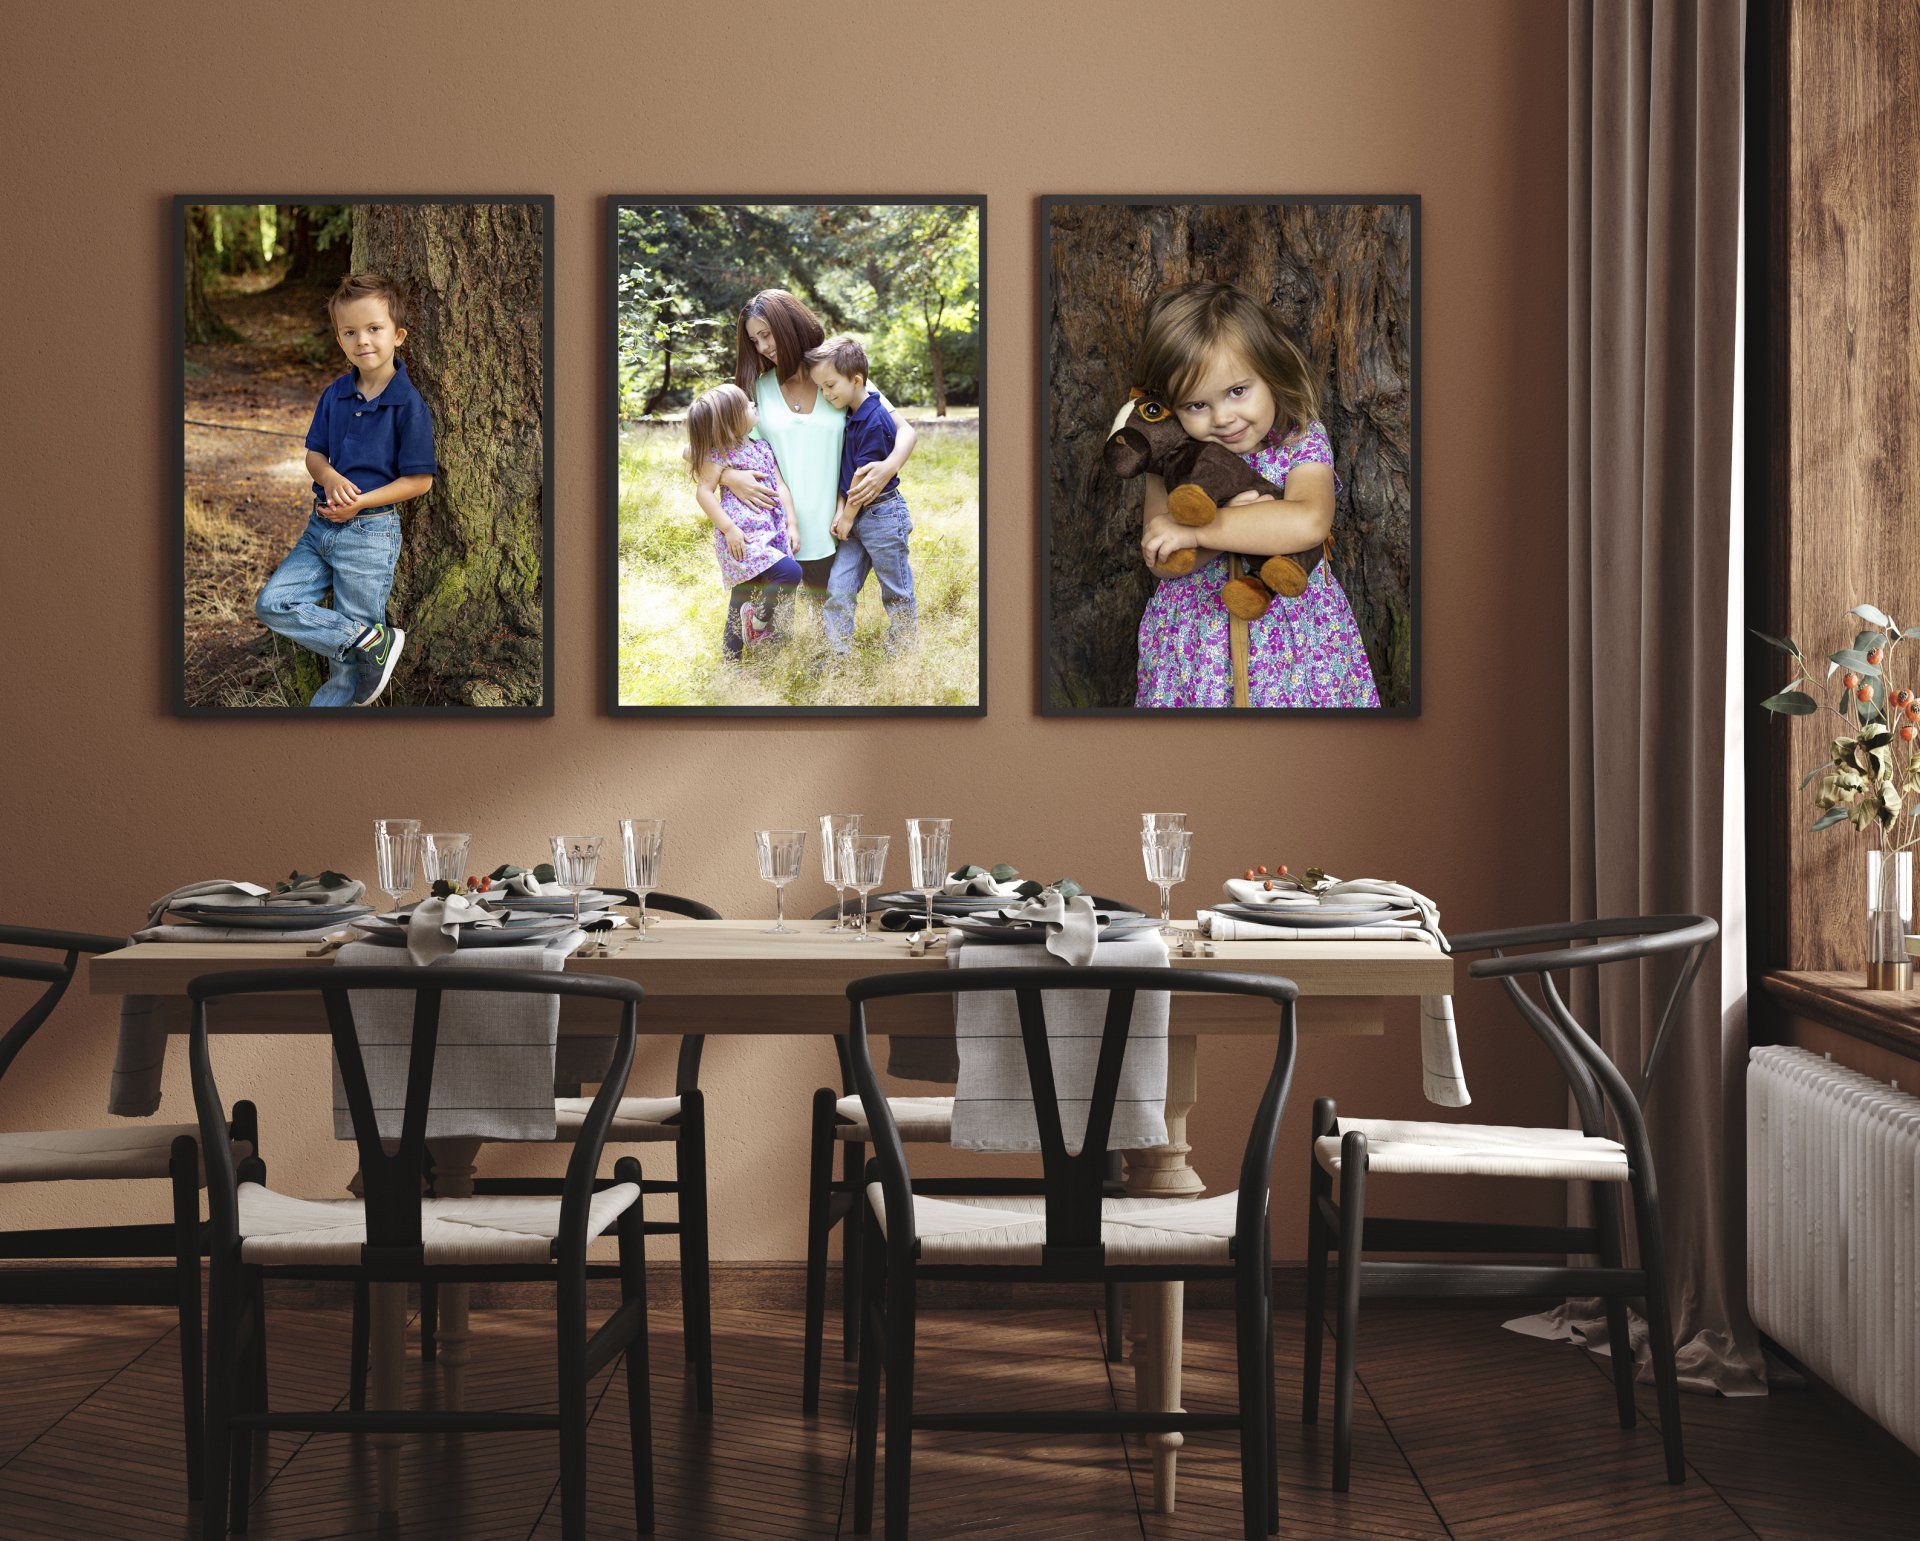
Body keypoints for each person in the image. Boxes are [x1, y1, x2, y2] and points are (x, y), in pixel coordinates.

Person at [1128, 281, 1380, 708]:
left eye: (1237, 391)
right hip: (1194, 646)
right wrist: (1209, 533)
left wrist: (1209, 526)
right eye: (1196, 405)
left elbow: (1308, 522)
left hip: (1295, 645)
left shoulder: (1300, 444)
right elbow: (1165, 559)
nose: (1224, 418)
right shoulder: (1170, 462)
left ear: (1272, 371)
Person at [254, 273, 435, 707]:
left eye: (374, 329)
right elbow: (313, 455)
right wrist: (329, 478)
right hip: (319, 530)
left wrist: (359, 503)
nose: (363, 341)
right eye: (350, 332)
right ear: (339, 339)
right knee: (273, 603)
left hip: (369, 535)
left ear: (399, 335)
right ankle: (370, 639)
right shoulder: (335, 395)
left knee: (347, 670)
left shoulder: (408, 406)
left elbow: (420, 481)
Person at [717, 289, 918, 595]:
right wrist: (728, 475)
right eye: (755, 341)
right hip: (777, 531)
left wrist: (889, 467)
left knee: (827, 615)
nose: (762, 347)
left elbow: (905, 430)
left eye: (766, 335)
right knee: (771, 632)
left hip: (837, 527)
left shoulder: (837, 376)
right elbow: (701, 447)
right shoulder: (755, 392)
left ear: (789, 324)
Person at [808, 336, 917, 653]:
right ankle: (836, 653)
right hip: (855, 518)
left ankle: (903, 653)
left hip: (881, 515)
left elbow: (863, 480)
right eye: (822, 389)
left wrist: (846, 516)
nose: (826, 394)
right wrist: (843, 512)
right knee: (839, 588)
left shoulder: (873, 419)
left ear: (856, 380)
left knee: (896, 590)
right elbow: (846, 470)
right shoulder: (851, 412)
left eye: (830, 386)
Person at [687, 383, 802, 658]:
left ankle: (735, 659)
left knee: (743, 596)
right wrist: (729, 530)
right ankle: (756, 625)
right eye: (746, 405)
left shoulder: (762, 446)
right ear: (729, 423)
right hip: (743, 536)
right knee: (790, 573)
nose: (753, 405)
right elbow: (703, 492)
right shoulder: (719, 455)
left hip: (770, 529)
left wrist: (792, 522)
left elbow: (780, 485)